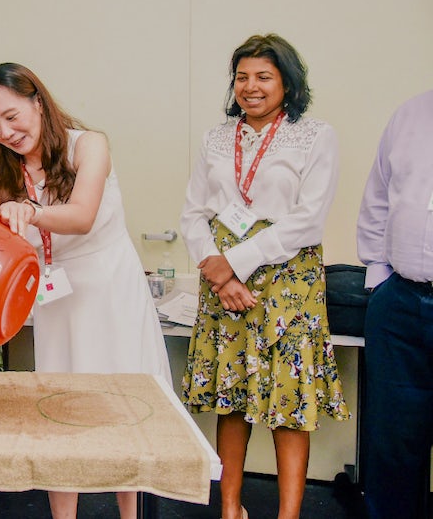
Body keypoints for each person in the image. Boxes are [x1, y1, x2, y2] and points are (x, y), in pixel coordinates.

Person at [0, 62, 172, 519]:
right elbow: (9, 253)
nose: (6, 131)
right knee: (58, 412)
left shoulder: (90, 145)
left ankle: (131, 514)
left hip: (109, 291)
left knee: (126, 407)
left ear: (37, 102)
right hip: (55, 302)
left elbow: (82, 215)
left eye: (12, 115)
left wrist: (28, 212)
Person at [179, 34, 349, 519]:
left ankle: (287, 514)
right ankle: (230, 507)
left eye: (263, 77)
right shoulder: (216, 137)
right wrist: (219, 271)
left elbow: (309, 219)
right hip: (221, 280)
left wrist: (237, 262)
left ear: (287, 83)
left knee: (288, 398)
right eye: (241, 77)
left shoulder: (315, 135)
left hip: (287, 282)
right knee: (231, 395)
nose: (250, 87)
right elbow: (194, 213)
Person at [357, 88, 433, 519]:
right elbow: (378, 199)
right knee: (392, 446)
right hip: (400, 304)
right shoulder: (409, 115)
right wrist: (379, 282)